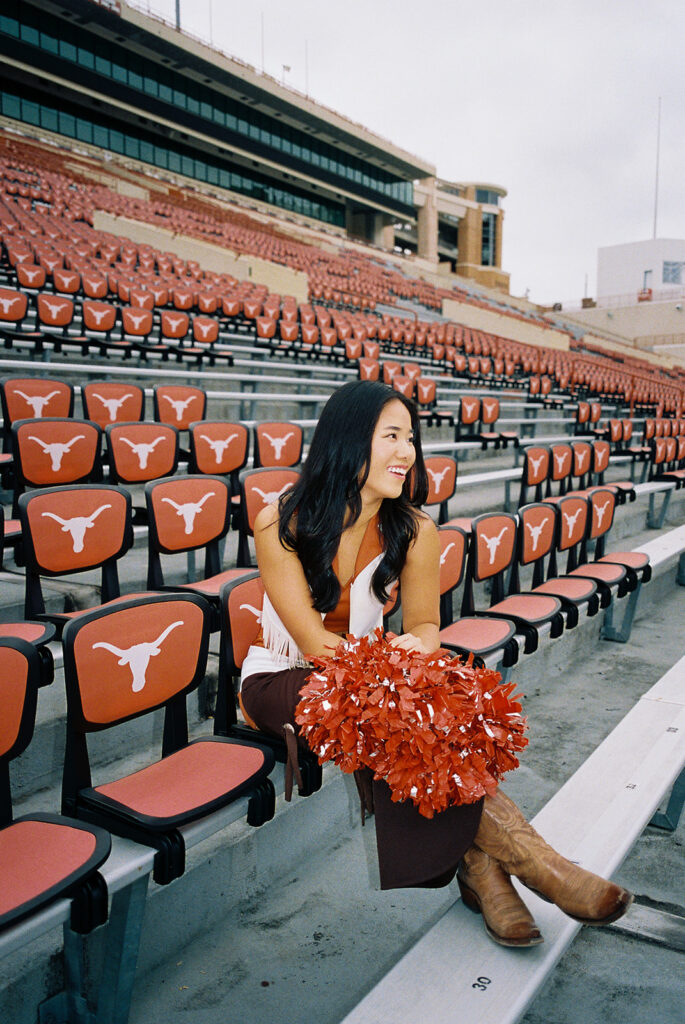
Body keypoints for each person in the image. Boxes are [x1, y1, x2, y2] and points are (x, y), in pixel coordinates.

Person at [240, 380, 632, 948]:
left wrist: (412, 654)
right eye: (391, 437)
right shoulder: (280, 521)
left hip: (366, 682)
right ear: (349, 441)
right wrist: (394, 675)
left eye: (411, 439)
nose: (408, 453)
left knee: (430, 704)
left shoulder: (416, 529)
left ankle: (483, 871)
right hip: (283, 678)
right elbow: (313, 645)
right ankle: (537, 863)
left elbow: (425, 628)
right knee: (402, 712)